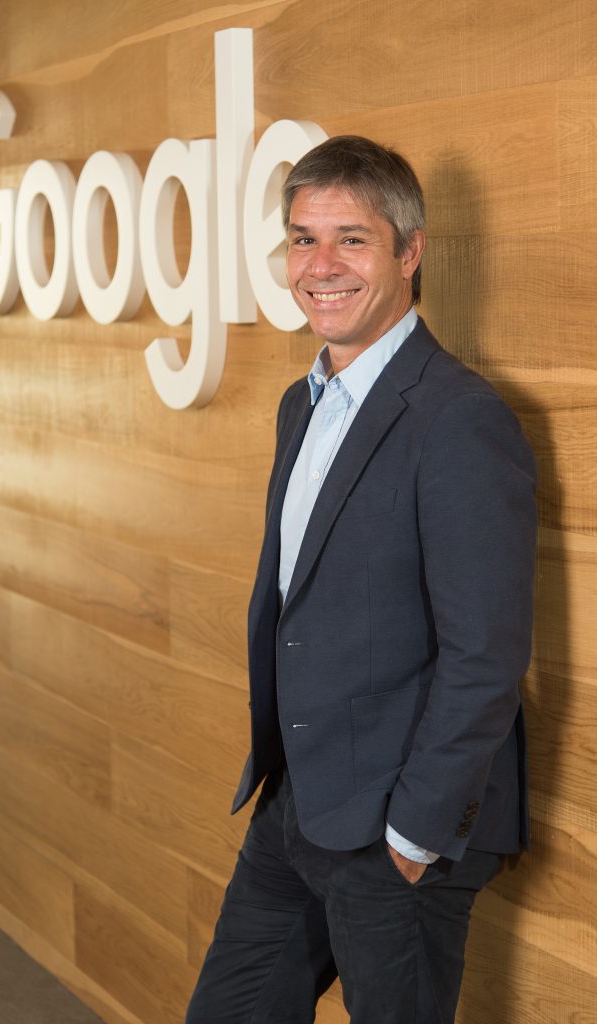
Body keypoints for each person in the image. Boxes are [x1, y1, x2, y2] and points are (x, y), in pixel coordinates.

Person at [185, 135, 536, 1024]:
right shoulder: (300, 403)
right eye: (304, 239)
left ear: (410, 253)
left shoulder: (460, 419)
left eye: (352, 239)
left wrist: (412, 835)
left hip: (395, 826)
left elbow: (486, 655)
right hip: (298, 802)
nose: (321, 266)